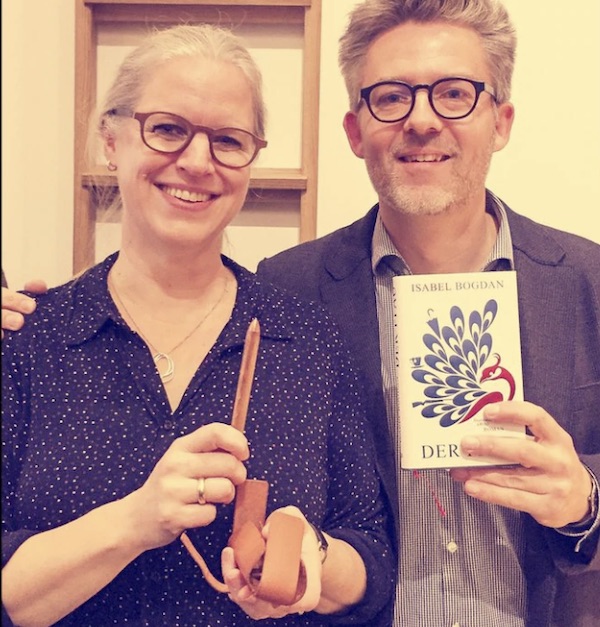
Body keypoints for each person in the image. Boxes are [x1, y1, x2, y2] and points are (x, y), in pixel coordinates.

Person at [4, 1, 600, 625]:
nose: (422, 120)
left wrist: (587, 502)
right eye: (392, 97)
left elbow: (350, 544)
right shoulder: (298, 291)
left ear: (501, 121)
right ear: (353, 129)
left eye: (454, 94)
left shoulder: (587, 284)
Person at [0, 23, 394, 627]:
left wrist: (310, 554)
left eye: (228, 141)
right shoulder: (32, 340)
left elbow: (373, 558)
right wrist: (135, 521)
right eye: (167, 129)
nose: (196, 161)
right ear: (111, 138)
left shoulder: (305, 339)